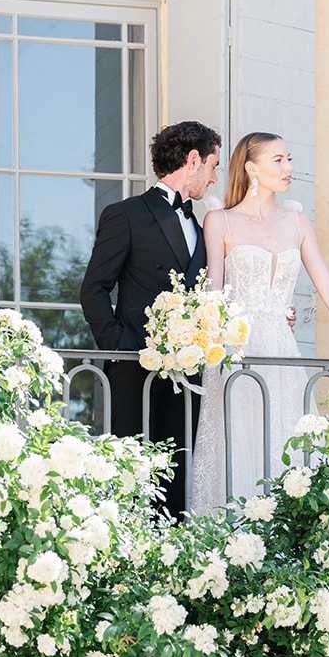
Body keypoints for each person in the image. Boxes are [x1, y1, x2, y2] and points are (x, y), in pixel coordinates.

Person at [190, 131, 329, 515]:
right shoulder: (220, 221)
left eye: (289, 158)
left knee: (287, 442)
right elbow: (213, 294)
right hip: (237, 353)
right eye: (278, 160)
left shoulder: (296, 222)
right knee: (241, 444)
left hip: (282, 350)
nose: (289, 167)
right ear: (251, 168)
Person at [80, 120, 221, 518]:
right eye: (213, 165)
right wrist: (123, 348)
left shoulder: (202, 225)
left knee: (177, 483)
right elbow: (93, 288)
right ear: (193, 161)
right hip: (134, 370)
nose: (213, 178)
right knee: (132, 478)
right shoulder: (126, 215)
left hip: (187, 375)